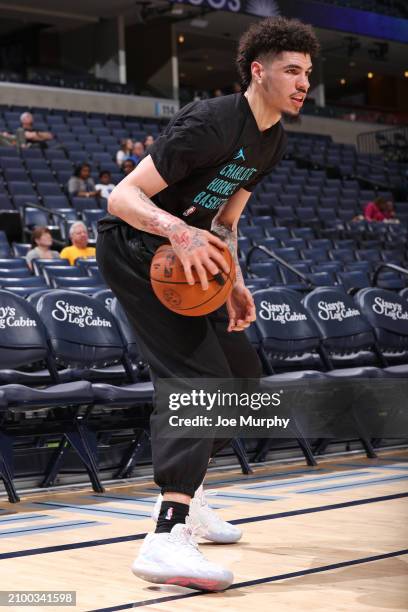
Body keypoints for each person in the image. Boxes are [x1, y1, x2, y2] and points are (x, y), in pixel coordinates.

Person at [96, 16, 319, 592]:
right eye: (291, 70)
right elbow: (122, 196)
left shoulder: (271, 138)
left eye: (308, 73)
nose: (303, 83)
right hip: (139, 247)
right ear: (257, 71)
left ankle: (191, 497)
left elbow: (225, 220)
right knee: (198, 380)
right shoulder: (213, 121)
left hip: (194, 258)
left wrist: (234, 279)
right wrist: (180, 233)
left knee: (242, 383)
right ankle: (166, 537)